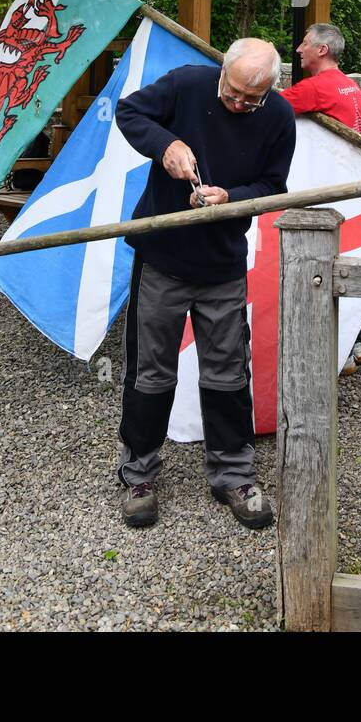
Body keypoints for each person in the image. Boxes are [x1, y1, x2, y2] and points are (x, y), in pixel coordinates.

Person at [114, 38, 295, 531]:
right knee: (151, 372)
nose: (238, 105)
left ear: (270, 90)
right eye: (232, 93)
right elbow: (129, 114)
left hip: (222, 265)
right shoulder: (189, 83)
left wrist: (231, 196)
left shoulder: (278, 117)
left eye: (249, 100)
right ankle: (139, 474)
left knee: (227, 372)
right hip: (163, 257)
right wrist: (165, 144)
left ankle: (232, 473)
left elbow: (274, 187)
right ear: (222, 73)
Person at [280, 23, 361, 373]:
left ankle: (342, 349)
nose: (299, 49)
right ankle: (358, 343)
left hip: (327, 187)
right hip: (350, 183)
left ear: (321, 50)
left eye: (305, 44)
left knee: (327, 265)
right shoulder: (350, 86)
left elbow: (266, 109)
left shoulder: (317, 87)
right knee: (350, 255)